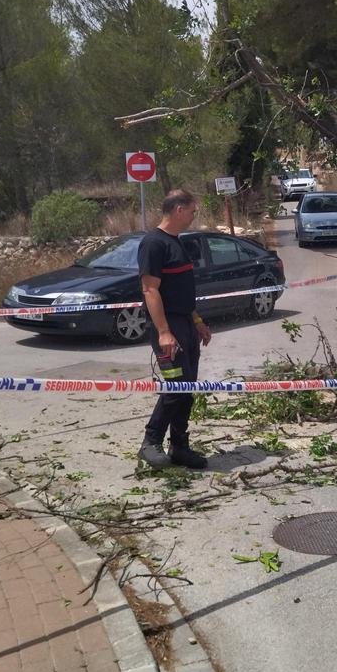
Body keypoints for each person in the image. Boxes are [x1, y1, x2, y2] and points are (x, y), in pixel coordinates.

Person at [136, 190, 212, 470]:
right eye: (193, 211)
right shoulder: (153, 244)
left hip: (185, 324)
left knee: (187, 388)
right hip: (167, 327)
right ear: (179, 209)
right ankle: (150, 443)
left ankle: (179, 445)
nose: (194, 216)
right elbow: (150, 290)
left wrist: (197, 322)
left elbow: (182, 292)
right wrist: (164, 332)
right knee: (175, 388)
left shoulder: (176, 244)